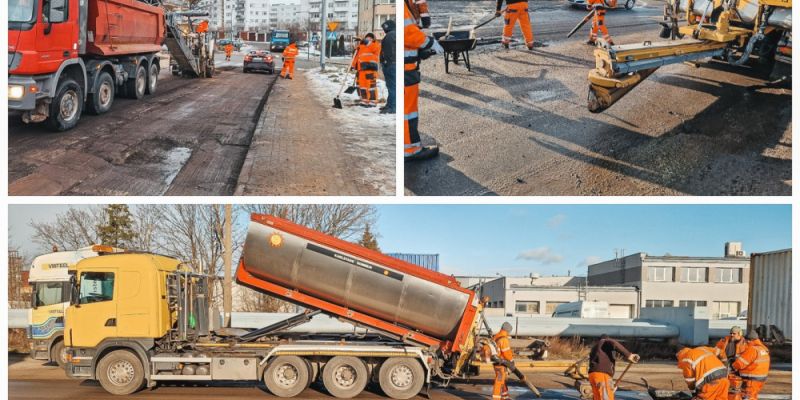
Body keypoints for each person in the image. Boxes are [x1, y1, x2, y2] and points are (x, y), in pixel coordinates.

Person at [404, 0, 443, 161]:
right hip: (406, 72)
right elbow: (408, 33)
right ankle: (411, 150)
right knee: (408, 113)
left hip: (408, 68)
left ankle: (409, 147)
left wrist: (419, 53)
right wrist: (430, 42)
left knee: (408, 111)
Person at [588, 334, 639, 400]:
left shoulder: (594, 348)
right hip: (602, 376)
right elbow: (613, 343)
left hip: (593, 376)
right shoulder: (604, 341)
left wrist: (610, 386)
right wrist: (629, 355)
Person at [480, 322, 514, 400]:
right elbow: (506, 353)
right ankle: (496, 398)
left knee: (502, 379)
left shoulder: (496, 336)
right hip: (501, 362)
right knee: (499, 380)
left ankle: (505, 396)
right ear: (508, 330)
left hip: (496, 362)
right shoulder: (503, 339)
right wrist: (511, 361)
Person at [732, 331, 770, 400]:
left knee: (748, 397)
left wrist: (733, 367)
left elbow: (740, 363)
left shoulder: (752, 349)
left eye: (746, 341)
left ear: (750, 340)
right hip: (760, 379)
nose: (746, 343)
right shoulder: (763, 349)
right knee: (753, 396)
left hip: (751, 379)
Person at [352, 34, 381, 107]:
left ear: (373, 39)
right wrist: (353, 65)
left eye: (370, 39)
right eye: (367, 38)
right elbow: (356, 57)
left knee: (371, 86)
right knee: (362, 86)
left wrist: (365, 41)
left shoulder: (375, 45)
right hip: (361, 69)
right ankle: (364, 100)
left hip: (370, 69)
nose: (368, 40)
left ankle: (373, 101)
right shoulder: (361, 47)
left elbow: (373, 48)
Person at [379, 20, 396, 114]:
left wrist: (386, 62)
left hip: (391, 65)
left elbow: (389, 51)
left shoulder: (390, 35)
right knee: (391, 86)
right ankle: (390, 105)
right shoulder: (394, 34)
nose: (383, 30)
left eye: (384, 28)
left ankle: (392, 107)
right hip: (393, 64)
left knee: (392, 86)